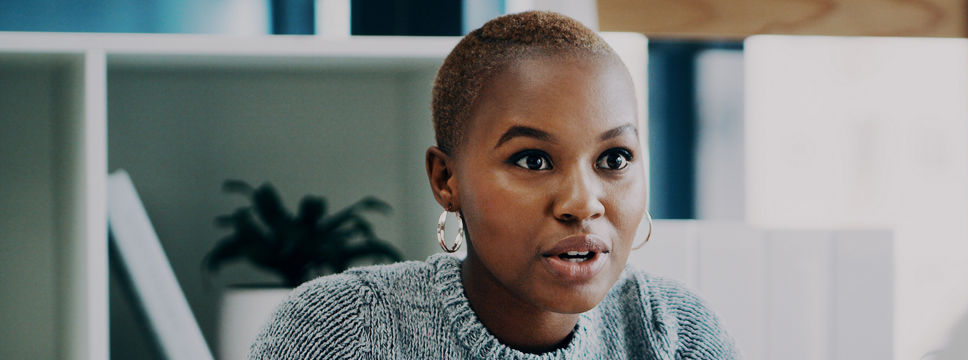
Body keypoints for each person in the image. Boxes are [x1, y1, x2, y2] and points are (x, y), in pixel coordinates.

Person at [249, 11, 738, 359]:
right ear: (446, 179)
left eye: (614, 158)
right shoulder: (342, 332)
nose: (583, 202)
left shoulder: (674, 334)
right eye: (533, 159)